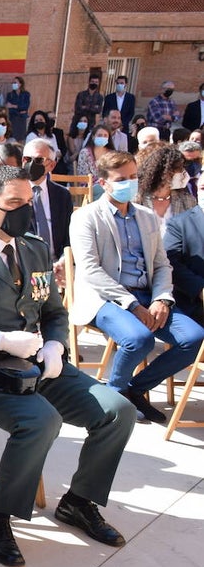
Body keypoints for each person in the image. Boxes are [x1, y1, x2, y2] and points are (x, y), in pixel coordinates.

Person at [0, 165, 134, 564]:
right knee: (41, 421)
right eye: (14, 203)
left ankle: (79, 501)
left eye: (29, 201)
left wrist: (56, 344)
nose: (24, 210)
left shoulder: (34, 248)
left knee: (117, 411)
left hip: (37, 364)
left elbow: (54, 311)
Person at [69, 151, 204, 423]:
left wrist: (162, 299)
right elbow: (91, 270)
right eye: (121, 179)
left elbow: (162, 264)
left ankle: (135, 389)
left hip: (147, 295)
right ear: (103, 183)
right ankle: (114, 395)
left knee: (193, 337)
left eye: (133, 177)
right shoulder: (86, 217)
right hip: (105, 298)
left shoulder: (146, 216)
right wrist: (131, 305)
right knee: (139, 339)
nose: (129, 183)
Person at [23, 139, 74, 266]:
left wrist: (64, 261)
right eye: (27, 159)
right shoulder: (13, 195)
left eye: (38, 160)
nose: (31, 164)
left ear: (51, 165)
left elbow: (69, 236)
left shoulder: (62, 195)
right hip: (26, 264)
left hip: (56, 262)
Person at [165, 185, 204, 322]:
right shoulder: (179, 224)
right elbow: (170, 262)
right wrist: (200, 289)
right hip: (195, 302)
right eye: (203, 188)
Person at [136, 143, 196, 227]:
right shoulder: (138, 199)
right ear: (164, 171)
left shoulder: (187, 201)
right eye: (179, 169)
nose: (184, 173)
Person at [5, 76, 31, 141]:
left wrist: (13, 106)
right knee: (13, 137)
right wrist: (20, 110)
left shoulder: (26, 94)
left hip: (23, 119)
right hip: (13, 119)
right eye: (12, 83)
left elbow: (25, 106)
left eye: (15, 83)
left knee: (22, 138)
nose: (13, 84)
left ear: (20, 84)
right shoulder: (10, 95)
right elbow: (9, 108)